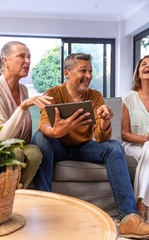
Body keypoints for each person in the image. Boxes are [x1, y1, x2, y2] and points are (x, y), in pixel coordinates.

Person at [32, 53, 149, 239]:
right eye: (83, 70)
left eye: (90, 71)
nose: (88, 75)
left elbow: (101, 137)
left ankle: (128, 218)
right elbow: (44, 125)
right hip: (58, 146)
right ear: (67, 73)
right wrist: (57, 131)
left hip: (84, 147)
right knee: (40, 138)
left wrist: (104, 121)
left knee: (113, 146)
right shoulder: (53, 94)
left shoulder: (94, 96)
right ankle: (43, 209)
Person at [0, 41, 53, 189]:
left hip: (19, 145)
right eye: (21, 56)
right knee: (15, 153)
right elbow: (1, 138)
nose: (27, 61)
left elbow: (25, 133)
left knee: (35, 152)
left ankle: (18, 194)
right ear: (5, 61)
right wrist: (23, 106)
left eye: (29, 57)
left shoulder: (23, 89)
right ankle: (6, 197)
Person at [121, 55, 149, 223]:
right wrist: (145, 138)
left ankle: (140, 205)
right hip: (133, 145)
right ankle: (141, 205)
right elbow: (124, 134)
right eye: (143, 64)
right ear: (138, 73)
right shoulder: (129, 98)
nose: (147, 67)